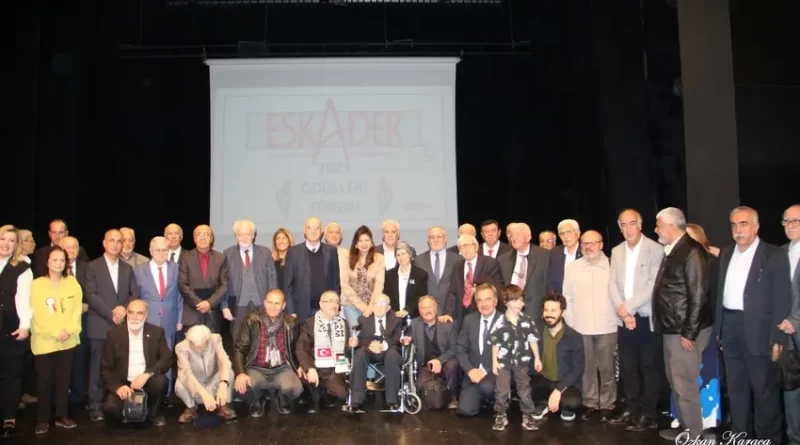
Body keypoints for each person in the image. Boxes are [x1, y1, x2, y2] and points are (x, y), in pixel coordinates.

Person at [651, 207, 712, 441]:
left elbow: (699, 294)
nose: (656, 229)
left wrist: (690, 332)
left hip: (683, 331)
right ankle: (684, 427)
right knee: (674, 381)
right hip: (672, 328)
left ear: (671, 225)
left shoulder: (692, 252)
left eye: (658, 225)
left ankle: (694, 434)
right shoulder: (676, 249)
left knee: (684, 385)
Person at [29, 246, 82, 434]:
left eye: (62, 260)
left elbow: (76, 311)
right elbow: (35, 314)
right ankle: (42, 419)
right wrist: (54, 332)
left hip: (68, 341)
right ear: (47, 262)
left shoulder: (72, 283)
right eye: (55, 260)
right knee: (44, 381)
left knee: (63, 381)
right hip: (44, 342)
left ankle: (62, 415)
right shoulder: (36, 285)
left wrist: (68, 330)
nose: (59, 263)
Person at [100, 300, 173, 427]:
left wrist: (147, 375)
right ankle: (132, 412)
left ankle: (154, 414)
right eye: (130, 312)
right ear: (126, 313)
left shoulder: (156, 332)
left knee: (161, 382)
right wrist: (118, 387)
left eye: (139, 313)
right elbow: (106, 368)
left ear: (146, 315)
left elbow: (167, 358)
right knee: (110, 408)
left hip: (146, 381)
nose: (134, 317)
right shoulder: (114, 334)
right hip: (124, 383)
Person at [233, 289, 303, 417]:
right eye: (270, 302)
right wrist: (241, 373)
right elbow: (240, 348)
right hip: (256, 368)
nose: (273, 307)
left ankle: (281, 397)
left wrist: (300, 366)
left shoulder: (292, 322)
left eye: (277, 303)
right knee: (241, 387)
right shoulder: (251, 320)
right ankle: (258, 398)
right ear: (264, 303)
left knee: (295, 389)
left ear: (283, 305)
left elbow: (298, 348)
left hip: (282, 368)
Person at [489, 284, 542, 431]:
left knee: (524, 389)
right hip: (504, 362)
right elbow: (495, 343)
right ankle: (500, 414)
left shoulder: (527, 320)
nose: (519, 304)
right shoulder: (500, 322)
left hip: (522, 361)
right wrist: (494, 362)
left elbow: (533, 340)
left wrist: (537, 358)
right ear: (506, 302)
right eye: (515, 300)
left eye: (521, 300)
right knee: (501, 390)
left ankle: (528, 414)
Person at [295, 291, 356, 413]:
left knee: (342, 394)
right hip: (315, 366)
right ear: (321, 304)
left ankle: (325, 392)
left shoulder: (343, 323)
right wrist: (309, 368)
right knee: (312, 393)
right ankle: (311, 393)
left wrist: (349, 346)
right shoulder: (310, 323)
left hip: (335, 368)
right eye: (330, 301)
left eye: (337, 302)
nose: (334, 304)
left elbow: (344, 352)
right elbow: (301, 348)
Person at [0, 225, 34, 440]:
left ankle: (9, 417)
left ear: (16, 245)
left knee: (11, 375)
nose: (6, 244)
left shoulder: (22, 268)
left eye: (11, 241)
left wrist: (24, 326)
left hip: (11, 329)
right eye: (2, 239)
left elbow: (24, 299)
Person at [531, 293, 584, 422]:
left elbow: (578, 369)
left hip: (564, 381)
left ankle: (556, 402)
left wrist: (558, 390)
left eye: (553, 310)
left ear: (563, 312)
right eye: (546, 310)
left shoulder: (574, 337)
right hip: (542, 379)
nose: (549, 314)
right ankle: (545, 402)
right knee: (522, 390)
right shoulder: (536, 332)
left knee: (573, 402)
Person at [348, 294, 403, 412]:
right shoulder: (364, 319)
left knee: (393, 356)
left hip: (389, 348)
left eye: (383, 304)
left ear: (388, 308)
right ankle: (356, 400)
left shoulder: (396, 318)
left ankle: (392, 400)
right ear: (372, 306)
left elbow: (398, 338)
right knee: (359, 355)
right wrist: (370, 344)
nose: (379, 306)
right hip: (369, 349)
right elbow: (360, 339)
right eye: (376, 303)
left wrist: (384, 345)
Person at [402, 296, 459, 409]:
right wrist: (406, 340)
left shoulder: (447, 324)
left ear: (436, 308)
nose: (427, 310)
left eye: (430, 307)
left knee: (453, 365)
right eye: (423, 308)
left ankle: (452, 396)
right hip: (425, 364)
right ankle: (437, 392)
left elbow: (455, 348)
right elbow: (407, 337)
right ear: (419, 310)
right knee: (421, 386)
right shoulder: (414, 324)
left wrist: (439, 360)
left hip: (446, 361)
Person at [174, 325, 236, 423]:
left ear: (207, 340)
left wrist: (223, 384)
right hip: (195, 385)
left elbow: (224, 361)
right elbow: (186, 372)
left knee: (229, 372)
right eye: (195, 347)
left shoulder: (215, 339)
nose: (198, 350)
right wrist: (203, 393)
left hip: (213, 381)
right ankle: (191, 407)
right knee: (179, 384)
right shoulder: (181, 347)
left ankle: (223, 404)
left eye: (201, 347)